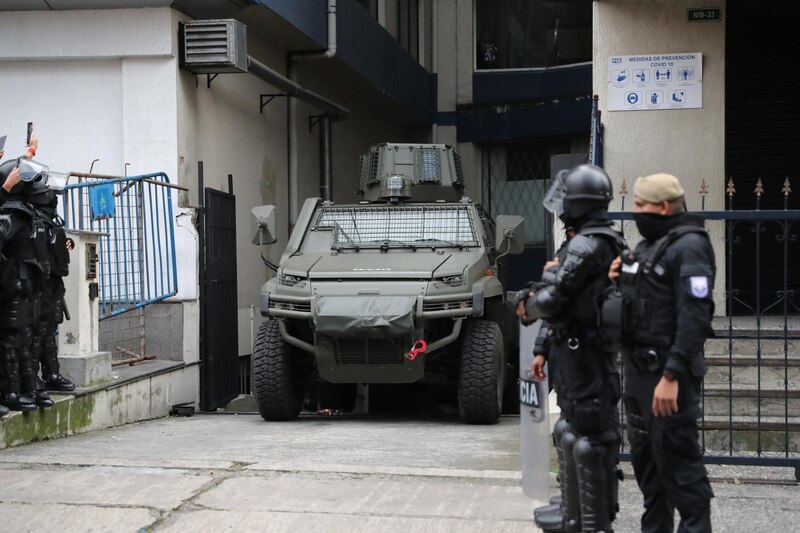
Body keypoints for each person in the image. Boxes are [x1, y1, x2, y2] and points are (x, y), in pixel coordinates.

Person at [604, 173, 714, 532]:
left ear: (664, 207)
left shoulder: (689, 246)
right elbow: (641, 302)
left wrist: (671, 376)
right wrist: (616, 278)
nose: (635, 212)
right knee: (651, 479)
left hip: (667, 377)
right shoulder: (650, 247)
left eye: (640, 205)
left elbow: (694, 317)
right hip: (638, 376)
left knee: (683, 477)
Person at [529, 164, 627, 533]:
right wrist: (541, 348)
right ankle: (573, 517)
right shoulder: (585, 240)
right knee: (568, 432)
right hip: (568, 348)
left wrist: (549, 280)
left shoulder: (591, 244)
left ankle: (594, 524)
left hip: (586, 351)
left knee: (588, 441)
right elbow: (553, 301)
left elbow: (551, 300)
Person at [0, 156, 56, 411]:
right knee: (12, 339)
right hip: (14, 284)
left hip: (29, 286)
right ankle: (12, 391)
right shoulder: (12, 213)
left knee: (25, 337)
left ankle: (29, 388)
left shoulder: (28, 213)